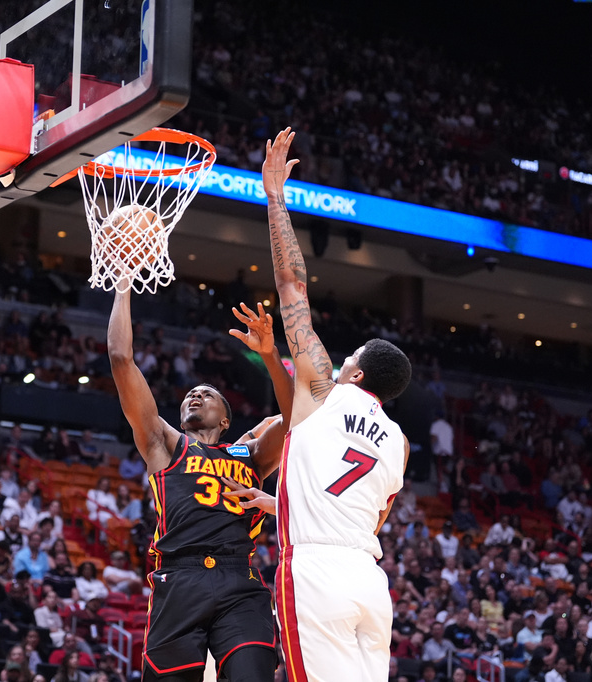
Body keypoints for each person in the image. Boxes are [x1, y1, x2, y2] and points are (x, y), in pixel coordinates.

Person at [225, 128, 412, 682]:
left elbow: (291, 285)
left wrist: (276, 199)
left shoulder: (325, 389)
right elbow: (364, 515)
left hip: (317, 575)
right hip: (368, 584)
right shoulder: (399, 445)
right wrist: (271, 500)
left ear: (353, 372)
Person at [107, 261, 292, 681]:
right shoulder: (165, 443)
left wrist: (269, 355)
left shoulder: (252, 455)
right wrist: (123, 283)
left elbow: (296, 414)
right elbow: (120, 358)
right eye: (191, 393)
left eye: (206, 394)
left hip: (240, 580)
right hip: (180, 577)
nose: (195, 395)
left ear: (226, 420)